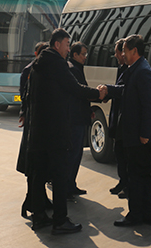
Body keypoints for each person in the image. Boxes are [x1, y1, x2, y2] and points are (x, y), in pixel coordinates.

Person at [26, 28, 105, 235]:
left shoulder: (38, 64)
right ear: (57, 44)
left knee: (39, 174)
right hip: (55, 130)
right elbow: (75, 88)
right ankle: (60, 220)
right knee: (60, 174)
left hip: (38, 129)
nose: (68, 49)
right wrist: (98, 93)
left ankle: (39, 217)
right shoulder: (57, 63)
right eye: (67, 45)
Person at [99, 34, 151, 227]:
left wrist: (144, 133)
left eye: (125, 51)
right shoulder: (135, 69)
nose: (122, 55)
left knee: (136, 176)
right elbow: (125, 90)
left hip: (140, 137)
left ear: (134, 51)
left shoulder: (142, 72)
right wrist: (109, 89)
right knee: (142, 175)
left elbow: (149, 106)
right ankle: (148, 214)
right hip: (138, 134)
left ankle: (136, 215)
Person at [17, 41, 49, 220]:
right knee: (34, 167)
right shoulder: (31, 71)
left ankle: (39, 199)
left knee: (38, 168)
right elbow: (25, 97)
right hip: (33, 124)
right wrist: (23, 113)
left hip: (35, 123)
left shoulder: (41, 71)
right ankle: (33, 202)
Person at [66, 42, 92, 199]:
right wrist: (97, 94)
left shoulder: (77, 68)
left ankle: (71, 184)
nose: (85, 57)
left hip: (79, 117)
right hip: (74, 119)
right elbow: (79, 92)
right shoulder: (72, 69)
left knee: (77, 154)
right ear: (75, 55)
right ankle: (67, 187)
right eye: (83, 54)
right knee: (73, 154)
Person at [106, 39, 129, 197]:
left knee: (124, 155)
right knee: (118, 153)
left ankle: (128, 185)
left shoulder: (131, 70)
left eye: (117, 52)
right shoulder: (121, 68)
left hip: (124, 118)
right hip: (117, 115)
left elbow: (123, 90)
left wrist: (108, 90)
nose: (115, 55)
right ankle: (123, 181)